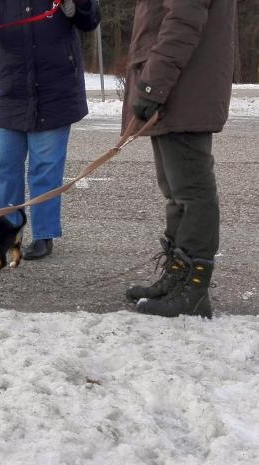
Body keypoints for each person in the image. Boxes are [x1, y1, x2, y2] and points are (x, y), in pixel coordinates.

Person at [0, 0, 100, 260]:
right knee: (7, 167)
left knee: (45, 169)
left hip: (56, 91)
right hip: (12, 89)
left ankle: (44, 234)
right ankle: (8, 230)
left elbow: (89, 19)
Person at [122, 0, 235, 318]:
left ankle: (194, 289)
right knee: (176, 192)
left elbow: (181, 25)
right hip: (176, 90)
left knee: (192, 192)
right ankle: (177, 277)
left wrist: (151, 86)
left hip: (181, 89)